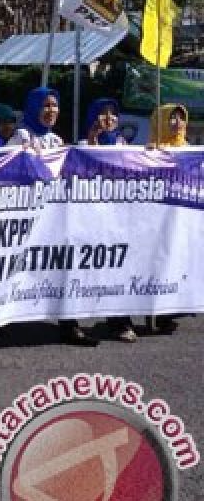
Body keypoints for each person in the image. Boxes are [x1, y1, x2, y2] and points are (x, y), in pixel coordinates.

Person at [8, 87, 99, 346]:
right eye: (46, 105)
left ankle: (70, 325)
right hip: (28, 219)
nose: (51, 111)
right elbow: (9, 168)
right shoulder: (22, 135)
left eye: (55, 106)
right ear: (34, 107)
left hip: (55, 219)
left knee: (65, 266)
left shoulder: (58, 141)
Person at [79, 98, 137, 342]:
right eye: (102, 114)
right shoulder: (83, 143)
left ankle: (120, 321)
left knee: (119, 269)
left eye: (113, 114)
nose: (109, 119)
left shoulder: (124, 145)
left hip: (118, 219)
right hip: (90, 218)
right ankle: (72, 320)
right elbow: (85, 167)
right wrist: (93, 138)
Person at [147, 103, 188, 335]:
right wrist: (152, 154)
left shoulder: (189, 150)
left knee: (176, 263)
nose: (176, 123)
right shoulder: (150, 149)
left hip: (179, 218)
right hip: (156, 218)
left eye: (180, 118)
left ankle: (167, 313)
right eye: (171, 118)